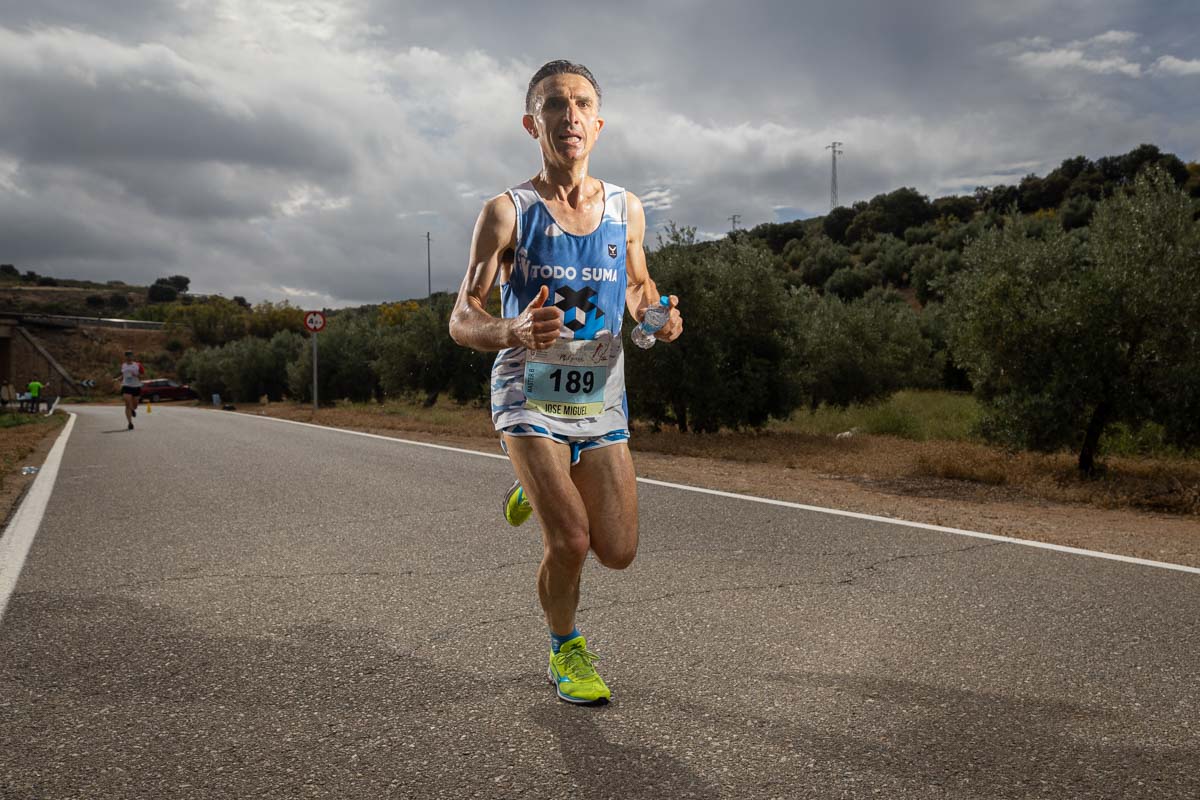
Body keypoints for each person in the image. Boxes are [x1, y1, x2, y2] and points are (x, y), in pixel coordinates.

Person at [449, 60, 682, 705]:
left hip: (599, 398)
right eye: (555, 104)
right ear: (533, 123)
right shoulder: (506, 213)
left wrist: (658, 319)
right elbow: (461, 318)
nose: (569, 115)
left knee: (619, 550)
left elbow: (639, 289)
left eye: (581, 104)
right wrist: (513, 331)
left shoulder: (625, 210)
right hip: (527, 392)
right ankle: (566, 649)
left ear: (598, 125)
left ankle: (532, 487)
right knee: (573, 539)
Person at [116, 351, 144, 430]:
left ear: (132, 356)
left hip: (136, 386)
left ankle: (133, 409)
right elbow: (123, 375)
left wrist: (136, 375)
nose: (128, 357)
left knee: (135, 405)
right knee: (127, 402)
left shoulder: (138, 365)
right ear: (125, 357)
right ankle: (130, 423)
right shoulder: (123, 365)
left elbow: (143, 375)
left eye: (130, 355)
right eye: (127, 356)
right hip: (126, 386)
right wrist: (118, 379)